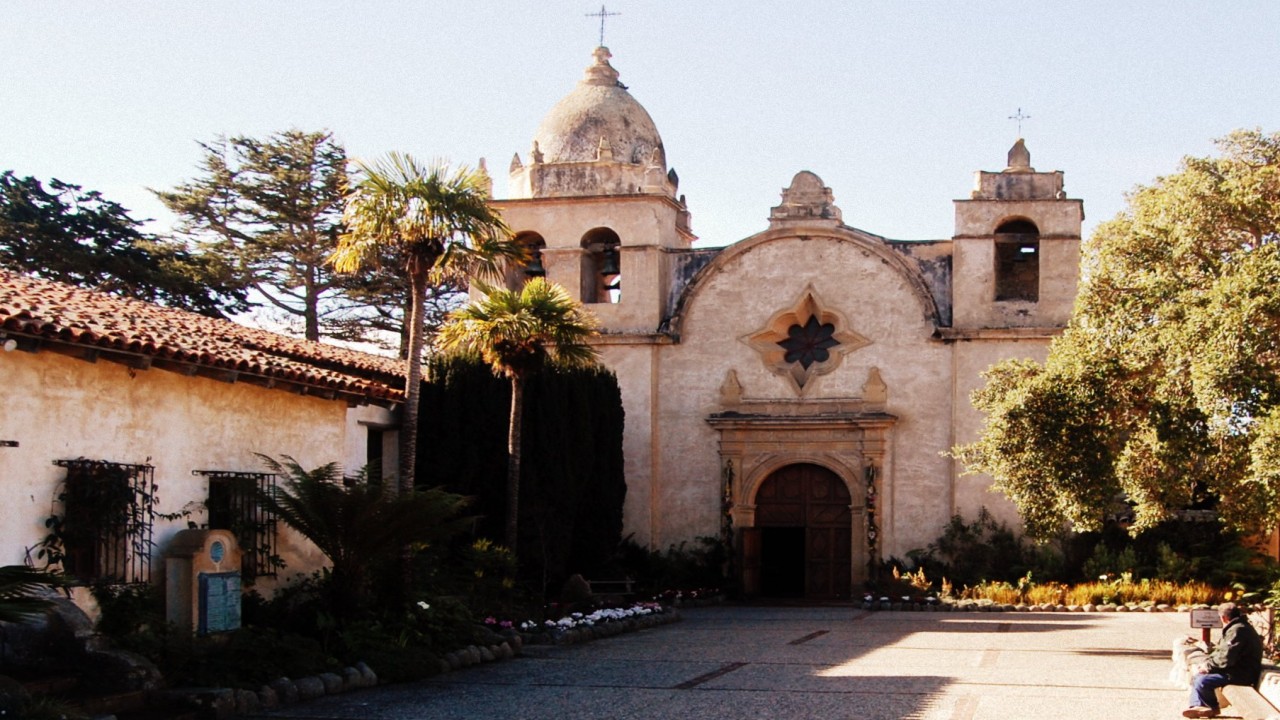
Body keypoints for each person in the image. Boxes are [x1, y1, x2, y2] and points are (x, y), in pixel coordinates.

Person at [1183, 602, 1263, 718]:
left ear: (1223, 618)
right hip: (1236, 670)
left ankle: (1210, 708)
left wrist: (1208, 667)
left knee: (1203, 681)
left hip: (1241, 674)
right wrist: (1206, 664)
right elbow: (1221, 652)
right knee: (1198, 676)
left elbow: (1227, 658)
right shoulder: (1238, 627)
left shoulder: (1237, 631)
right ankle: (1198, 706)